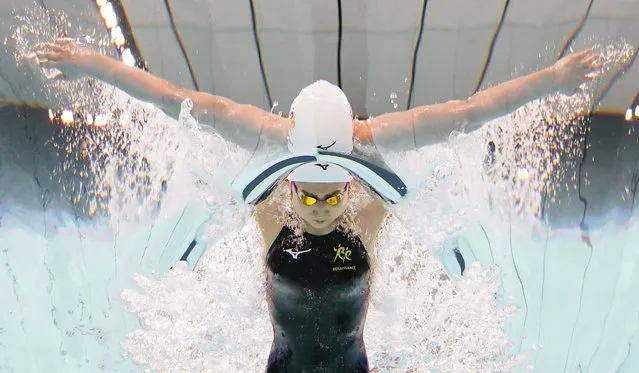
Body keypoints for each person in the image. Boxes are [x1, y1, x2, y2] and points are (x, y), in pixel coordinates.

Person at [36, 39, 601, 372]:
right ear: (290, 173)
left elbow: (471, 112)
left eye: (335, 192)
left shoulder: (378, 142)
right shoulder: (261, 137)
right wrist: (96, 66)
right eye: (309, 192)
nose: (323, 205)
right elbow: (171, 100)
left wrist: (553, 80)